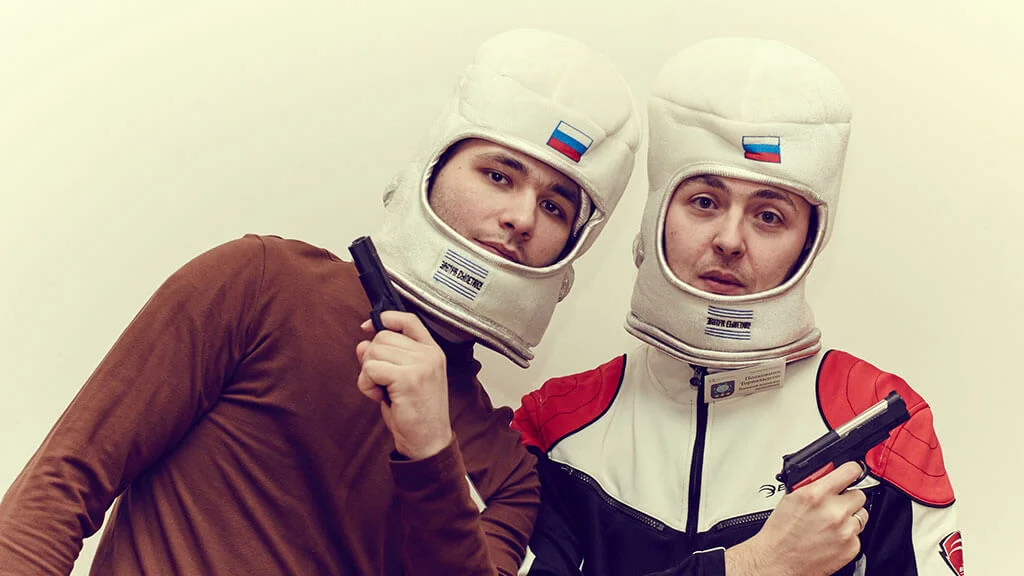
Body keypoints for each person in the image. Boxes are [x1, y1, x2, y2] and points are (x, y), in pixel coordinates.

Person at [0, 29, 641, 575]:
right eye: (498, 175)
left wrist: (430, 453)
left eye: (554, 206)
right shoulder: (259, 284)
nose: (521, 217)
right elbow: (58, 490)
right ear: (433, 166)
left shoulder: (508, 475)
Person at [513, 38, 963, 576]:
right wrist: (755, 565)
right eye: (704, 202)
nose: (729, 240)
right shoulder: (557, 421)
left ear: (810, 240)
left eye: (769, 216)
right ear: (658, 214)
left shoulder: (879, 418)